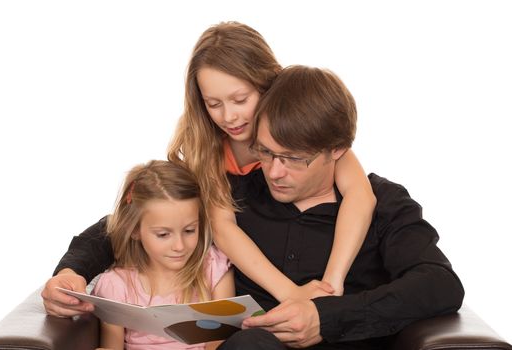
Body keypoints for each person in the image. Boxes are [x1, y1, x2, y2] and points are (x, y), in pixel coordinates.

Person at [41, 21, 376, 316]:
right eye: (214, 104)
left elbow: (361, 197)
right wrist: (72, 270)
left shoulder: (311, 141)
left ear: (270, 86)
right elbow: (147, 219)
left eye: (240, 100)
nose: (228, 117)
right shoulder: (209, 152)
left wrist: (331, 285)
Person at [213, 65, 464, 349]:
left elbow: (440, 285)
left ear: (338, 149)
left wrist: (327, 317)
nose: (274, 172)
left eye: (294, 158)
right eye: (266, 152)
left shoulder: (384, 203)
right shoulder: (235, 197)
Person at [91, 160, 233, 350]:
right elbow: (112, 346)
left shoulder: (213, 266)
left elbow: (218, 343)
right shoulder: (116, 285)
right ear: (135, 230)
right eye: (163, 234)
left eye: (190, 230)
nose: (179, 246)